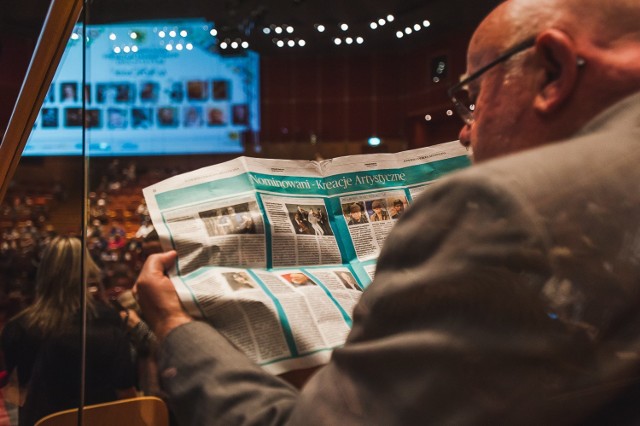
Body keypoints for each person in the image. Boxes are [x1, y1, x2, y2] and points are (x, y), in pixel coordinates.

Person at [134, 0, 640, 423]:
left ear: (551, 70)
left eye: (473, 98)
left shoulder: (498, 206)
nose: (465, 130)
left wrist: (177, 327)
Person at [1, 236, 136, 425]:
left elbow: (13, 391)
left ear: (43, 272)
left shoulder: (19, 327)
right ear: (88, 271)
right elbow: (125, 390)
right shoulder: (109, 319)